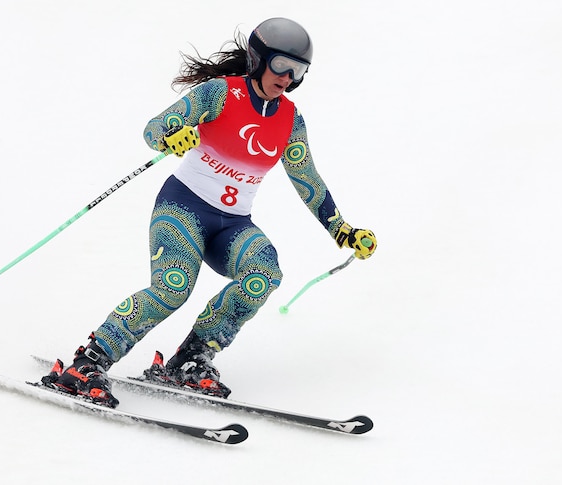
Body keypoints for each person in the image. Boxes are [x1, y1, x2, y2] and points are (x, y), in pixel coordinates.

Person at [40, 17, 377, 407]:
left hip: (231, 224)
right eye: (281, 65)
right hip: (183, 208)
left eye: (298, 70)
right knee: (173, 287)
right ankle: (88, 362)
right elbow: (154, 130)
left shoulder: (289, 120)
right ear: (258, 58)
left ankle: (190, 359)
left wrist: (341, 229)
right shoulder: (220, 94)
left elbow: (309, 182)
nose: (287, 76)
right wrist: (172, 135)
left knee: (263, 274)